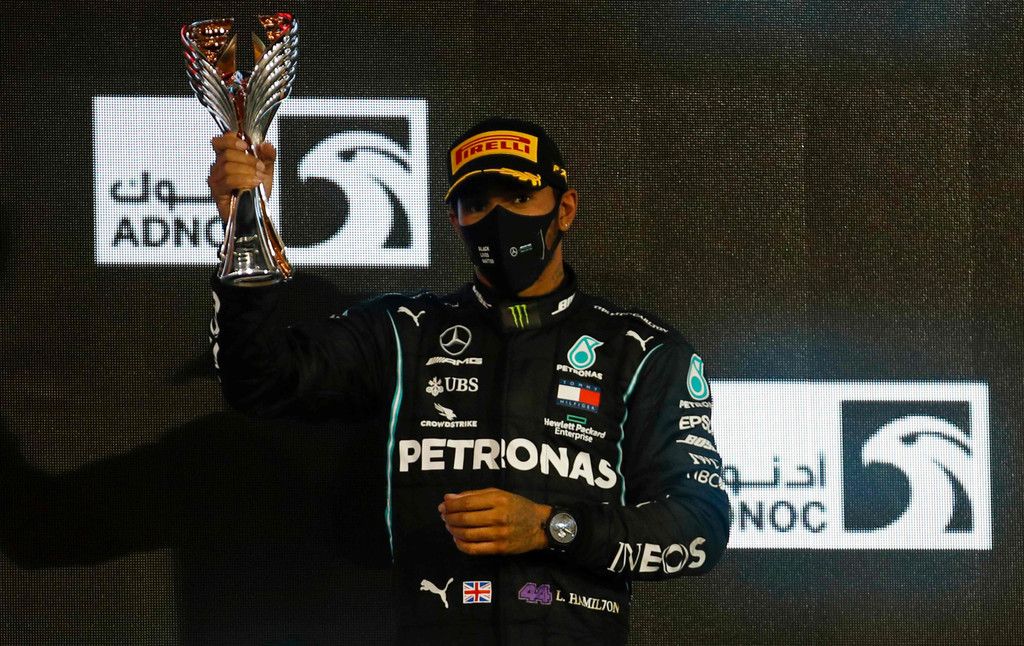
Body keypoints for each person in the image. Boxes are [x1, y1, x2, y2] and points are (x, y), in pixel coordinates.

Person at [206, 117, 729, 644]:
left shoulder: (640, 351)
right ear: (454, 221)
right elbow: (258, 381)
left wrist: (551, 526)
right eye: (477, 204)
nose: (498, 219)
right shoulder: (402, 331)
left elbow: (701, 526)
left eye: (518, 198)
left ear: (565, 209)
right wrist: (246, 232)